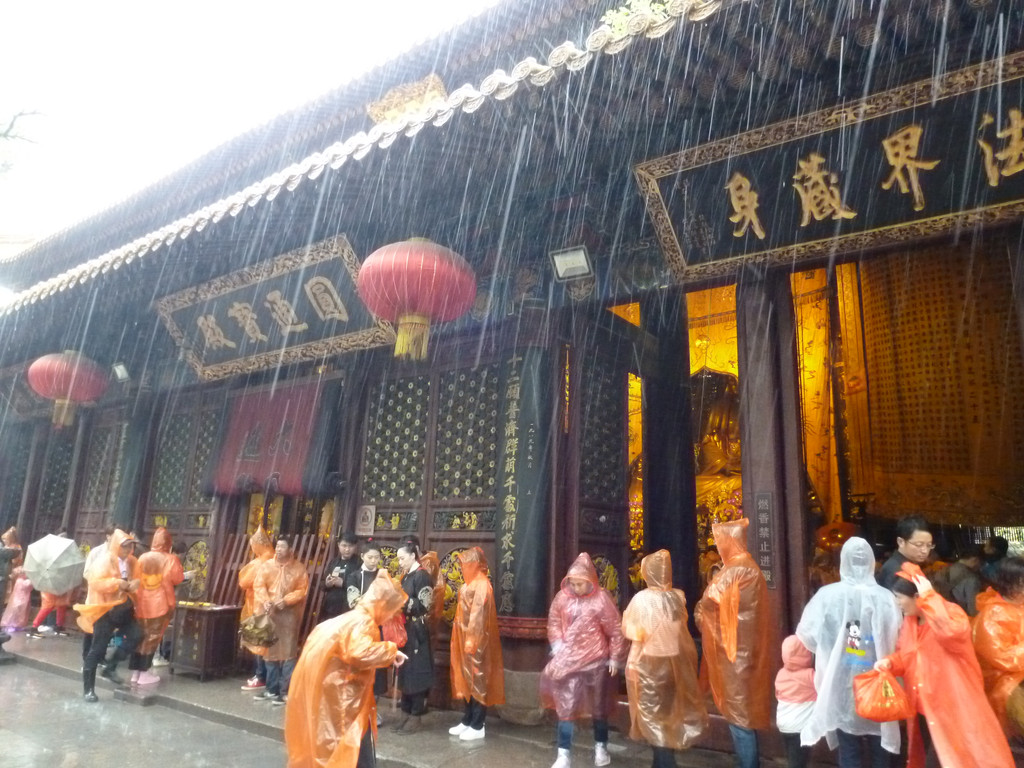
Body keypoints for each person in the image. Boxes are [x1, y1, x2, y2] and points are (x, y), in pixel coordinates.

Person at [875, 562, 1014, 768]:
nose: (897, 603)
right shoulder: (911, 622)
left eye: (899, 597)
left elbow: (951, 632)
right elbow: (907, 655)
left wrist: (930, 598)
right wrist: (889, 662)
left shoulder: (951, 614)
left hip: (953, 709)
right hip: (923, 709)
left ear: (917, 597)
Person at [285, 569, 409, 768]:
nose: (392, 616)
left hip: (333, 691)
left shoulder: (351, 618)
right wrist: (390, 651)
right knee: (349, 745)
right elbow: (359, 652)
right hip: (344, 696)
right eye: (393, 610)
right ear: (383, 605)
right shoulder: (364, 622)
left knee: (338, 742)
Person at [796, 537, 901, 767]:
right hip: (878, 680)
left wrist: (833, 649)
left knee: (849, 744)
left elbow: (807, 634)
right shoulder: (886, 598)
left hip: (841, 681)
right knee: (879, 742)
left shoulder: (827, 595)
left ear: (843, 560)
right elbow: (898, 638)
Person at [694, 519, 772, 768]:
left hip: (733, 651)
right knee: (743, 713)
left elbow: (709, 601)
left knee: (739, 717)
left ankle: (748, 764)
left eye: (720, 542)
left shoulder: (735, 570)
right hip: (747, 650)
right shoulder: (751, 568)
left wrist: (699, 613)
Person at [621, 549, 707, 768]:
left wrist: (631, 663)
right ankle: (666, 759)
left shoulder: (643, 600)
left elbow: (637, 637)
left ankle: (663, 762)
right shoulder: (677, 598)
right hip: (674, 663)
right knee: (669, 714)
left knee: (652, 716)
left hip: (650, 663)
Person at [540, 552, 626, 768]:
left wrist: (615, 658)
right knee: (565, 707)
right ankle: (563, 753)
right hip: (568, 661)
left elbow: (615, 630)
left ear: (590, 581)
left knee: (599, 707)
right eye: (573, 584)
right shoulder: (562, 598)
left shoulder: (601, 599)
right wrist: (558, 646)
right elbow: (553, 622)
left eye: (580, 584)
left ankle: (601, 748)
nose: (576, 588)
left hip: (596, 661)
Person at [74, 529, 144, 702]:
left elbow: (138, 578)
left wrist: (135, 583)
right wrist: (116, 583)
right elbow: (95, 582)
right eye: (125, 547)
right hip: (104, 610)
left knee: (137, 634)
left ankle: (111, 665)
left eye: (130, 547)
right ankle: (88, 689)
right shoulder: (104, 560)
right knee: (97, 649)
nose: (128, 550)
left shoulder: (132, 562)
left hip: (124, 608)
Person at [448, 546, 505, 741]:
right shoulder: (468, 584)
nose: (463, 567)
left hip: (476, 641)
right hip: (463, 638)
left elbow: (478, 616)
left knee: (477, 680)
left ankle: (478, 723)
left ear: (474, 565)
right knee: (466, 679)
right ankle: (467, 718)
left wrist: (472, 641)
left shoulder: (482, 585)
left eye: (466, 564)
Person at [253, 537, 310, 705]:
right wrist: (265, 600)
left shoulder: (298, 569)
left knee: (288, 653)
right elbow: (259, 585)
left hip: (288, 616)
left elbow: (302, 590)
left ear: (290, 549)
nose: (278, 549)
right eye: (277, 546)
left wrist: (286, 600)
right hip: (269, 613)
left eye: (282, 546)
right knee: (269, 652)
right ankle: (271, 689)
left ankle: (285, 691)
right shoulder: (267, 566)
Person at [972, 556, 1024, 737]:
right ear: (1011, 584)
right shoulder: (992, 615)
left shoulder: (1020, 605)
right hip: (1006, 682)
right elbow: (1004, 658)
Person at [128, 527, 184, 686]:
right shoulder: (171, 559)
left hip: (141, 603)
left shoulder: (143, 557)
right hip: (160, 604)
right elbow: (178, 578)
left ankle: (135, 673)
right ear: (168, 543)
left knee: (140, 638)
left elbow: (135, 577)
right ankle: (144, 673)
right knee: (152, 638)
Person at [393, 538, 436, 734]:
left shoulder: (422, 576)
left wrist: (401, 599)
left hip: (417, 629)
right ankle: (406, 711)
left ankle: (416, 714)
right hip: (405, 628)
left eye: (402, 558)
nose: (400, 562)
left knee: (416, 671)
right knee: (405, 669)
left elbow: (424, 605)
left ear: (412, 556)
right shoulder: (405, 576)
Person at [344, 541, 388, 702]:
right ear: (362, 556)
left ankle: (373, 707)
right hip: (361, 628)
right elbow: (353, 601)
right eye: (370, 557)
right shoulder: (354, 576)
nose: (373, 561)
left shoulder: (384, 576)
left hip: (380, 626)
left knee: (376, 667)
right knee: (359, 666)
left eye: (376, 557)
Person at [238, 525, 275, 691]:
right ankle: (266, 675)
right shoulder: (273, 560)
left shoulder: (259, 562)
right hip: (270, 605)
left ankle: (260, 676)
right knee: (267, 643)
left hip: (258, 604)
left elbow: (244, 582)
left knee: (259, 642)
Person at [774, 636, 815, 768]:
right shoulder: (810, 676)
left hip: (784, 725)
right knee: (798, 762)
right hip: (799, 728)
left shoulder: (781, 674)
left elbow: (777, 694)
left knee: (793, 756)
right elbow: (825, 688)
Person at [876, 515, 932, 590]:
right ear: (901, 542)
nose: (925, 551)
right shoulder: (896, 571)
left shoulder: (907, 564)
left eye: (929, 545)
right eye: (919, 545)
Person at [931, 545, 983, 616]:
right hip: (961, 618)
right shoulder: (971, 578)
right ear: (974, 560)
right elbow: (973, 610)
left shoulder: (943, 570)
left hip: (942, 614)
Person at [321, 531, 361, 620]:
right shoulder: (334, 562)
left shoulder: (359, 563)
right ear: (338, 545)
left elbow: (361, 584)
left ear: (355, 546)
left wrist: (343, 583)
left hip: (348, 609)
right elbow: (322, 584)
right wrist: (327, 584)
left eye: (350, 546)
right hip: (330, 607)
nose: (347, 549)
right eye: (344, 545)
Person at [1, 567, 33, 632]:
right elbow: (28, 586)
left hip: (18, 598)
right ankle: (15, 624)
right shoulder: (22, 581)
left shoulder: (18, 580)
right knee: (18, 612)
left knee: (16, 612)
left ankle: (14, 624)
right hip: (21, 599)